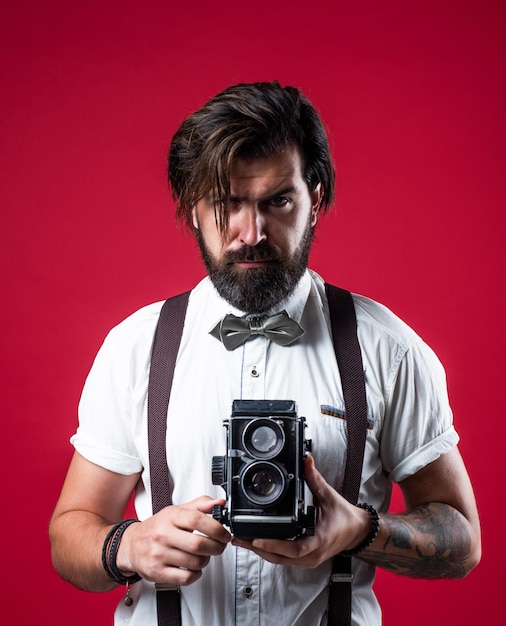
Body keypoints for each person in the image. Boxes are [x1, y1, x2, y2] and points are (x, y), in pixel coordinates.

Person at [49, 81, 481, 625]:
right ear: (191, 209)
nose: (250, 233)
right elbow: (69, 532)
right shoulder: (136, 347)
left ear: (315, 198)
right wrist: (129, 547)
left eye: (278, 201)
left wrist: (362, 529)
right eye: (226, 204)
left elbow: (462, 542)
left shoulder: (387, 349)